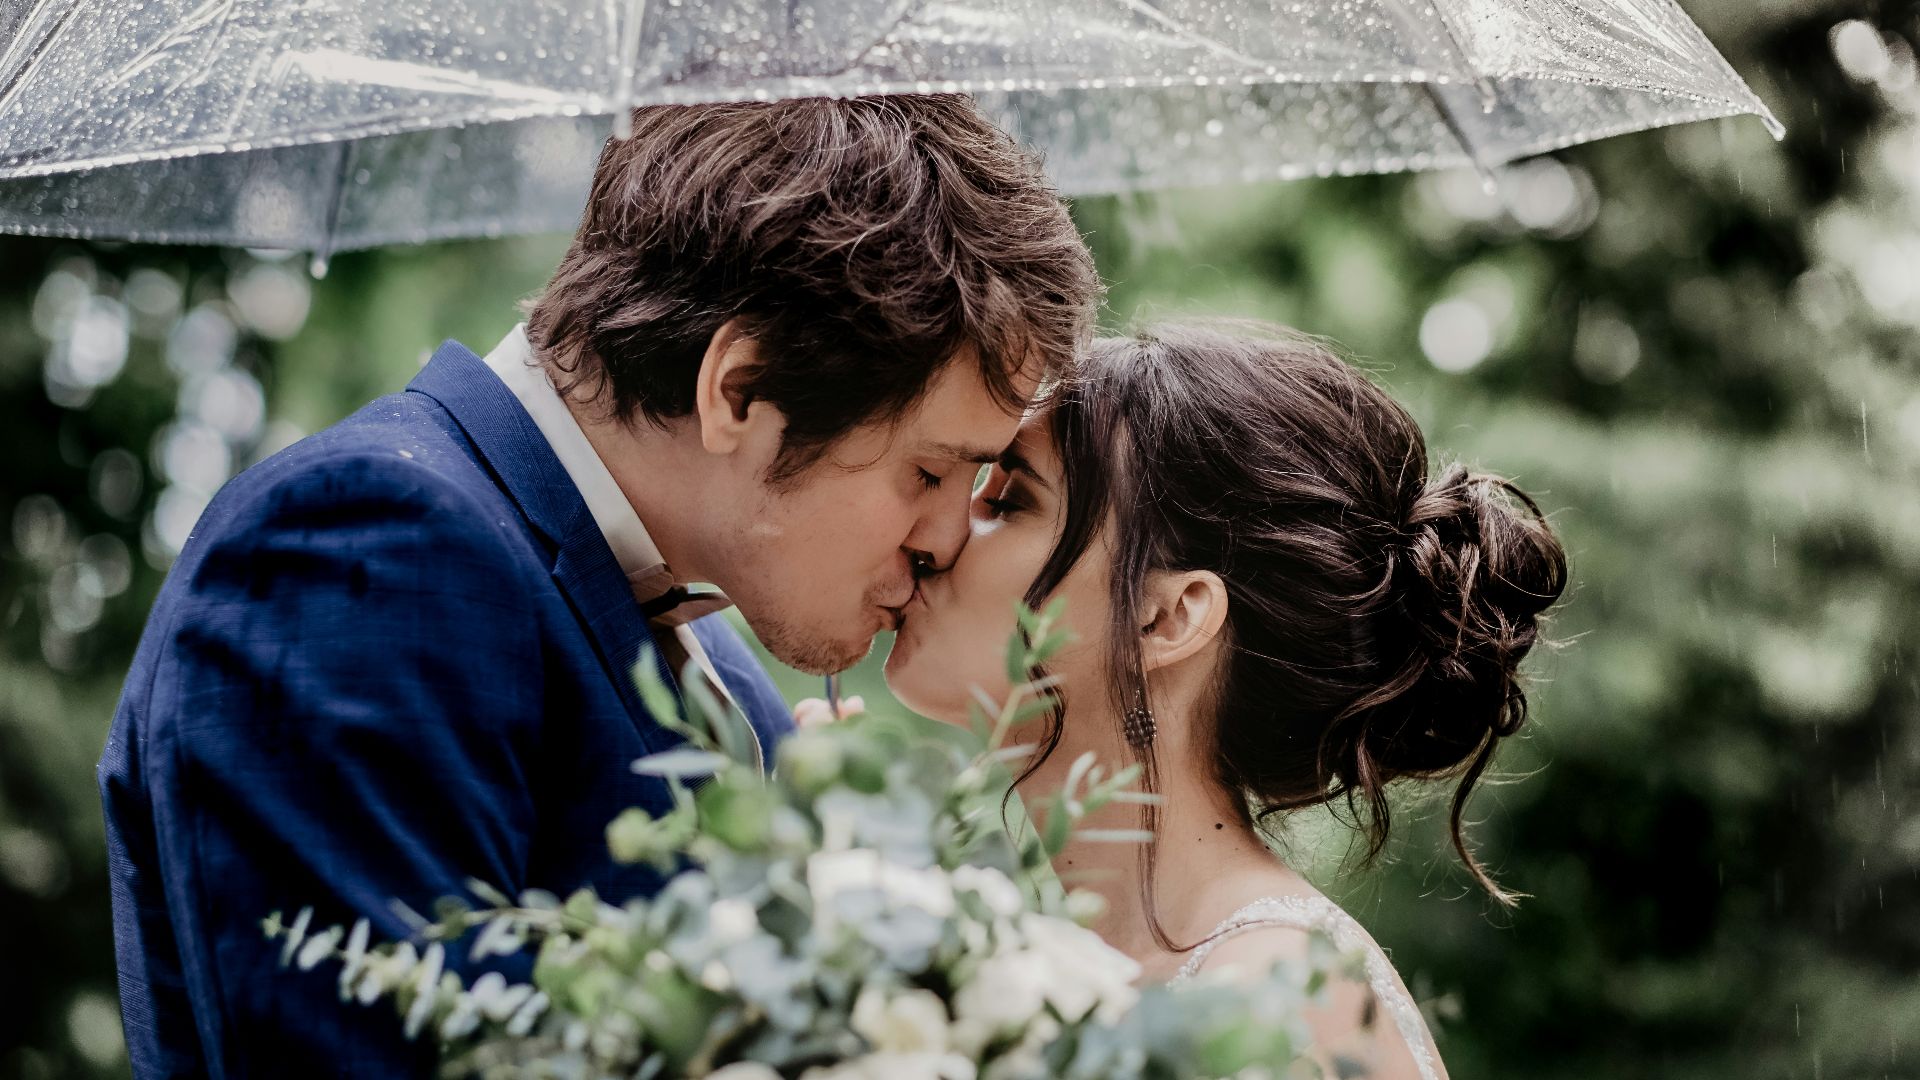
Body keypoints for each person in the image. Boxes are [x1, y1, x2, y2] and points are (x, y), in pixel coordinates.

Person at [98, 96, 1099, 1079]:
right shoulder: (363, 550)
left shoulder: (717, 668)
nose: (945, 539)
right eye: (927, 473)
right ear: (739, 389)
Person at [880, 322, 1567, 1079]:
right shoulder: (1046, 969)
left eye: (1009, 499)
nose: (938, 534)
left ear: (1167, 618)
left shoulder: (1276, 1009)